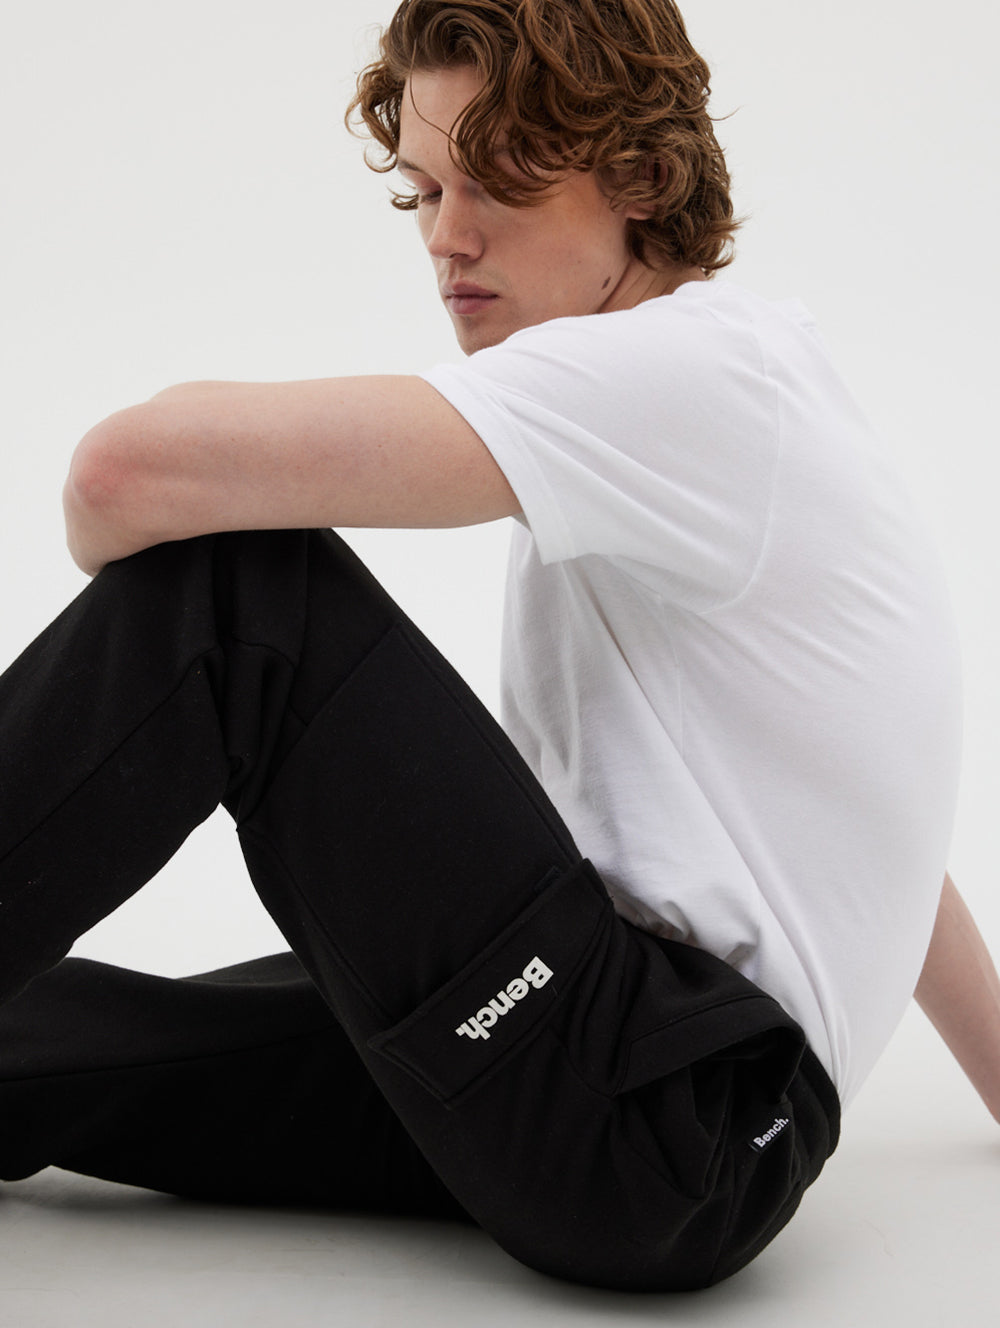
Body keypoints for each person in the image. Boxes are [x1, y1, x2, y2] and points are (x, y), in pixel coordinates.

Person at [0, 0, 995, 1294]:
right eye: (426, 189)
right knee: (38, 1034)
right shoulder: (744, 398)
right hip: (615, 1089)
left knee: (242, 596)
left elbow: (122, 476)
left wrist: (152, 577)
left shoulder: (686, 376)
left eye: (498, 180)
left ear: (642, 178)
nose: (447, 236)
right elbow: (869, 802)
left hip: (661, 1103)